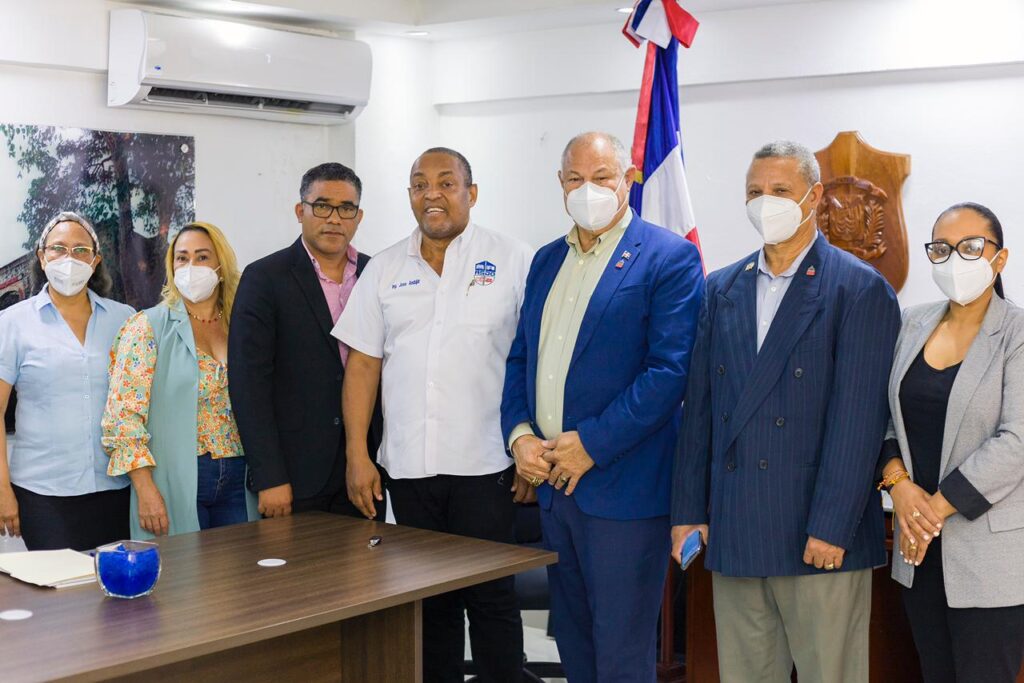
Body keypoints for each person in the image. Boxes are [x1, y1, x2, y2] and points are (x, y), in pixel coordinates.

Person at [672, 141, 900, 683]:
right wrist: (687, 511)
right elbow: (699, 412)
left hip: (818, 535)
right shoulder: (720, 288)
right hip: (736, 527)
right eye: (755, 191)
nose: (765, 202)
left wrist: (832, 527)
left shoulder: (858, 289)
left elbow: (858, 424)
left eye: (780, 190)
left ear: (814, 197)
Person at [501, 132, 704, 683]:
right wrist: (519, 435)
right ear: (560, 183)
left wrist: (590, 443)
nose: (586, 190)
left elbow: (668, 374)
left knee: (620, 654)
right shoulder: (546, 259)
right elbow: (521, 357)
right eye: (575, 179)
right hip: (553, 489)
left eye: (601, 177)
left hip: (624, 492)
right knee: (574, 643)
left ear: (628, 179)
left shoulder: (668, 257)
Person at [335, 148, 533, 682]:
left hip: (488, 465)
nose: (432, 194)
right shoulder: (384, 269)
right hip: (409, 468)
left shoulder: (514, 259)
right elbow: (363, 367)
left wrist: (529, 449)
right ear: (409, 196)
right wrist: (357, 454)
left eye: (446, 183)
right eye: (420, 184)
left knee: (491, 600)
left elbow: (534, 360)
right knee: (428, 605)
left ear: (472, 192)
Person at [879, 202, 1024, 682]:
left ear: (999, 258)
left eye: (970, 247)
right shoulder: (911, 323)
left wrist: (931, 512)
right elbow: (885, 419)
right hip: (917, 554)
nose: (954, 259)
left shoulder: (1017, 333)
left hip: (988, 557)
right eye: (942, 248)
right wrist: (899, 486)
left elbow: (1016, 442)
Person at [229, 163, 383, 520]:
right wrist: (269, 476)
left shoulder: (376, 273)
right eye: (322, 206)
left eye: (346, 208)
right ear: (301, 211)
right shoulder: (264, 278)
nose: (334, 218)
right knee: (296, 559)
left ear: (359, 217)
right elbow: (248, 384)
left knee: (367, 557)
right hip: (294, 472)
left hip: (366, 465)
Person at [103, 222, 256, 538]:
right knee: (183, 567)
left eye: (202, 257)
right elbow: (123, 417)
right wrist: (145, 489)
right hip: (176, 477)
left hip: (240, 477)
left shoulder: (242, 324)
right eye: (182, 258)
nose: (191, 267)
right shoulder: (147, 327)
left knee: (241, 567)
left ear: (221, 266)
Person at [0, 212, 134, 550]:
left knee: (114, 582)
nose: (69, 258)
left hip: (117, 488)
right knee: (62, 583)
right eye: (58, 248)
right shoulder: (12, 323)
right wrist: (2, 491)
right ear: (42, 257)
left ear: (95, 260)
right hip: (43, 494)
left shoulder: (125, 320)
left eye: (80, 250)